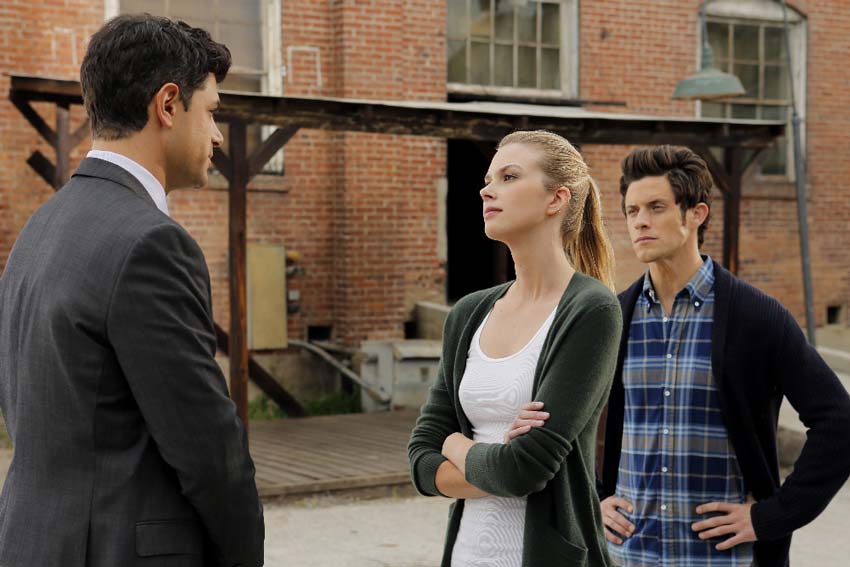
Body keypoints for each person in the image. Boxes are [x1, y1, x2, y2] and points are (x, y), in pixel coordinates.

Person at [0, 14, 264, 567]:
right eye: (211, 111)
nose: (218, 135)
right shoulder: (152, 243)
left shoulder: (38, 229)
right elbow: (208, 450)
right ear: (167, 105)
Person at [599, 145, 850, 567]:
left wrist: (772, 516)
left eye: (656, 207)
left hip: (724, 559)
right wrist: (594, 498)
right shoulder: (612, 318)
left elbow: (838, 421)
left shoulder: (757, 316)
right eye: (631, 210)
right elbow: (569, 424)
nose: (640, 221)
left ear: (696, 214)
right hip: (629, 556)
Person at [408, 130, 622, 567]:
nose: (487, 190)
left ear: (556, 199)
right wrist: (498, 465)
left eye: (509, 177)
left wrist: (456, 444)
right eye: (488, 180)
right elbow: (420, 460)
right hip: (466, 555)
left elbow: (524, 469)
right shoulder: (468, 313)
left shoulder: (591, 309)